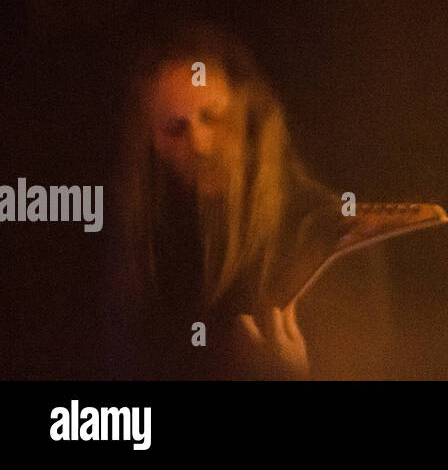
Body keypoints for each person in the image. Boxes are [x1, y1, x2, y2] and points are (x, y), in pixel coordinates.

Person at [110, 23, 381, 379]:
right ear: (151, 143)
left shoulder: (324, 231)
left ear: (249, 114)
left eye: (213, 117)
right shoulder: (151, 240)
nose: (200, 145)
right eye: (175, 130)